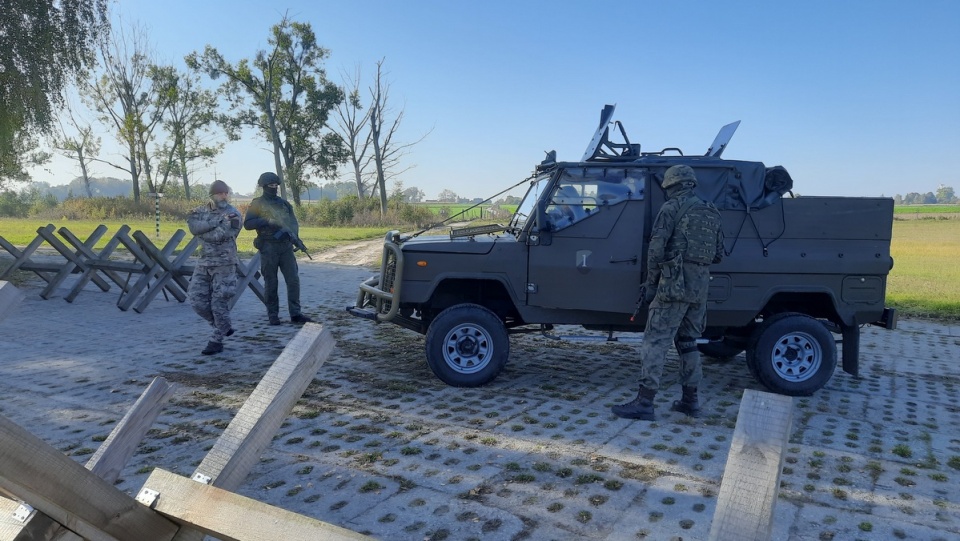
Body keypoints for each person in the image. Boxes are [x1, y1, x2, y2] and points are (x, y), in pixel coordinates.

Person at [612, 164, 724, 421]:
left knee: (655, 341)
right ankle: (690, 401)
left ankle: (644, 402)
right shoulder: (711, 211)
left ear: (671, 185)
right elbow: (717, 254)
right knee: (688, 342)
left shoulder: (671, 208)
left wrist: (652, 284)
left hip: (673, 285)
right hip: (699, 287)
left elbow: (656, 250)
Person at [243, 171, 313, 326]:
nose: (274, 188)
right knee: (271, 282)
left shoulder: (284, 204)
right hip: (268, 247)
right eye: (271, 185)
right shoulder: (257, 204)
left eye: (276, 185)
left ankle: (295, 314)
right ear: (264, 186)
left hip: (286, 247)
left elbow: (293, 224)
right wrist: (266, 221)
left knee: (293, 280)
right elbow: (247, 224)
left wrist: (296, 239)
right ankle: (273, 315)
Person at [187, 180, 242, 355]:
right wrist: (214, 223)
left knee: (219, 302)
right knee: (197, 300)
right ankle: (224, 327)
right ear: (212, 195)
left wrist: (204, 231)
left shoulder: (234, 214)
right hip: (204, 263)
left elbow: (221, 235)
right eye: (220, 193)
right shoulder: (199, 211)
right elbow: (193, 228)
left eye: (225, 192)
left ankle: (216, 341)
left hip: (224, 263)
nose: (223, 196)